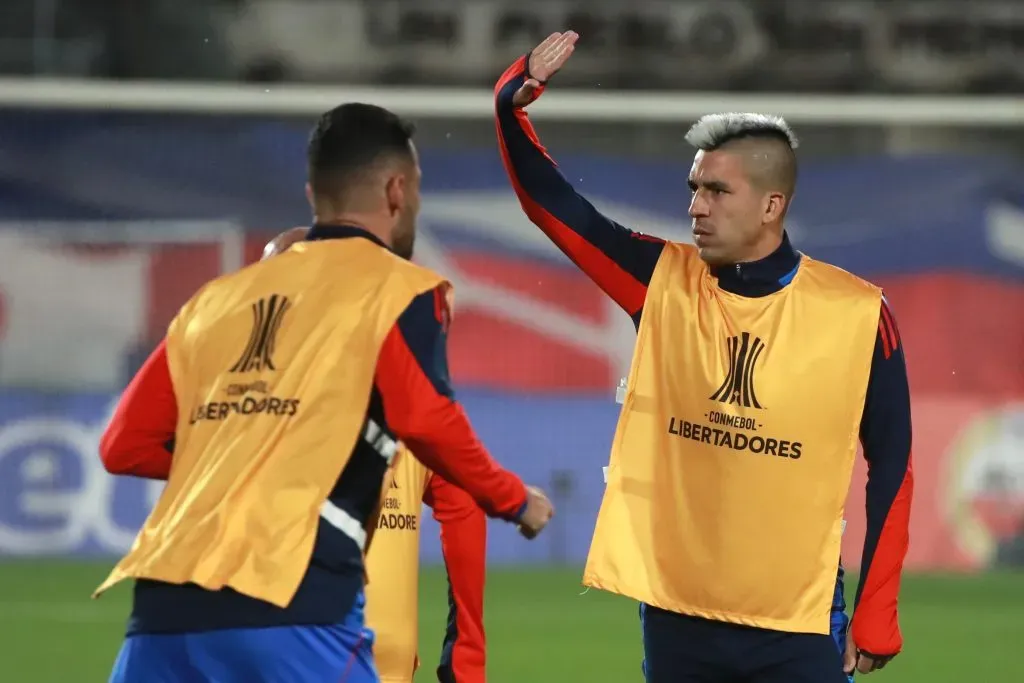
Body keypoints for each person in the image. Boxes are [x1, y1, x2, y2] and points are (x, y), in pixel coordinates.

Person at [494, 32, 913, 683]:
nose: (695, 206)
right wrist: (509, 106)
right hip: (676, 615)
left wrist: (877, 607)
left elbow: (893, 461)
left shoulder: (859, 314)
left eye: (716, 191)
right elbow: (554, 208)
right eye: (693, 187)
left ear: (772, 204)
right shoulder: (660, 280)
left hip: (798, 624)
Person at [95, 102, 554, 683]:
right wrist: (513, 499)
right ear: (398, 190)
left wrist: (241, 458)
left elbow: (123, 445)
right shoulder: (399, 290)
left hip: (163, 608)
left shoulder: (215, 302)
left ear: (314, 194)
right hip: (293, 599)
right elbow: (425, 418)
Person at [264, 227, 490, 683]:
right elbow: (464, 497)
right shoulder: (407, 396)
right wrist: (465, 652)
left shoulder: (254, 407)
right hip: (381, 654)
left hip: (288, 653)